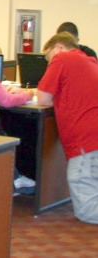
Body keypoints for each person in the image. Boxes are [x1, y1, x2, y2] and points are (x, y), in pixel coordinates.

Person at [37, 32, 98, 224]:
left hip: (84, 139)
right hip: (93, 134)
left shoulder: (62, 58)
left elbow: (43, 98)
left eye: (48, 59)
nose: (49, 64)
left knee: (86, 209)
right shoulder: (89, 61)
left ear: (58, 48)